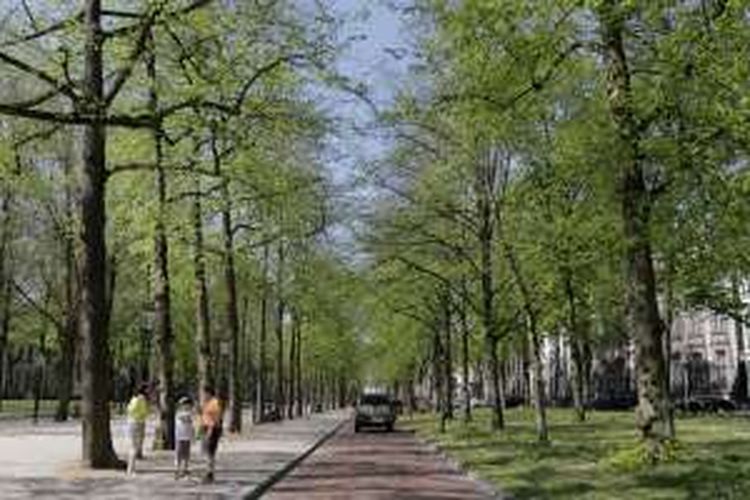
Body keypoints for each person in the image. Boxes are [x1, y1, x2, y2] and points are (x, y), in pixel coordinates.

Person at [200, 386, 223, 483]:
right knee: (207, 452)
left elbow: (216, 418)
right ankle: (208, 472)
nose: (203, 395)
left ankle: (210, 474)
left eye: (205, 393)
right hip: (206, 427)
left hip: (212, 429)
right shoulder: (207, 403)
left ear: (209, 393)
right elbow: (204, 416)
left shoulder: (214, 403)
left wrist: (210, 430)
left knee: (210, 453)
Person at [126, 383, 150, 476]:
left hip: (130, 422)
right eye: (147, 389)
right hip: (138, 423)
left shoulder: (134, 398)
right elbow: (144, 412)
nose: (148, 391)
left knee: (132, 446)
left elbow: (129, 409)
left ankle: (130, 469)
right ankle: (132, 470)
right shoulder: (142, 398)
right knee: (135, 447)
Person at [174, 396, 195, 479]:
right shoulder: (179, 413)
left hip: (187, 436)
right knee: (179, 453)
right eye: (184, 404)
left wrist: (193, 435)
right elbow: (185, 419)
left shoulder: (190, 413)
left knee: (186, 454)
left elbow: (192, 425)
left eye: (187, 404)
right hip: (179, 437)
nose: (186, 406)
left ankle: (185, 468)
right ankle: (177, 469)